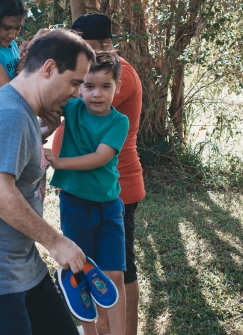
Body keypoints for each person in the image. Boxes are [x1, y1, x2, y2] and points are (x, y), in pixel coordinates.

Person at [0, 30, 96, 335]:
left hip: (19, 263)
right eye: (75, 82)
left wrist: (41, 134)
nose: (77, 93)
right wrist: (56, 242)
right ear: (49, 68)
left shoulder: (19, 110)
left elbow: (10, 158)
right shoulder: (10, 114)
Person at [52, 14, 146, 335]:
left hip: (116, 189)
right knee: (87, 269)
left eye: (83, 47)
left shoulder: (119, 77)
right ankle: (98, 329)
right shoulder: (88, 75)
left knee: (120, 271)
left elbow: (75, 100)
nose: (76, 56)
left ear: (106, 46)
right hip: (81, 191)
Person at [44, 51, 129, 335]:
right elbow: (44, 101)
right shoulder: (73, 107)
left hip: (109, 207)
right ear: (79, 87)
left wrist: (59, 161)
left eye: (106, 86)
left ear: (117, 87)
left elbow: (100, 157)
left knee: (114, 275)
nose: (97, 94)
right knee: (79, 274)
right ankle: (90, 332)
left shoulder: (119, 122)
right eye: (89, 86)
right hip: (75, 204)